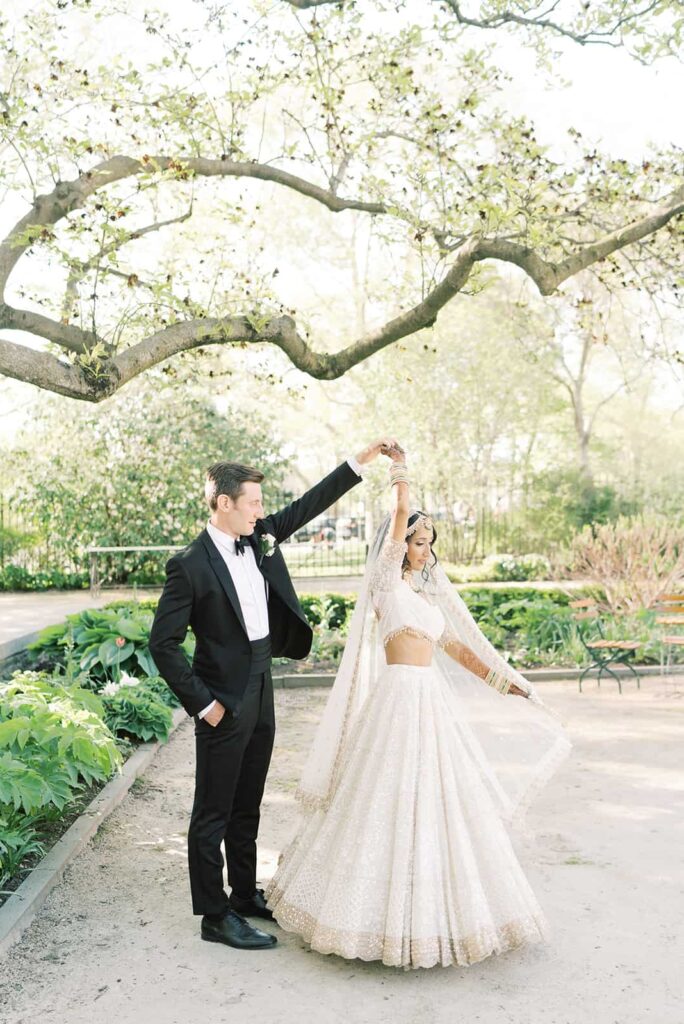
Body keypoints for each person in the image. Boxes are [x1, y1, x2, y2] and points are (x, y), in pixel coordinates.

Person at [265, 447, 572, 969]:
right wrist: (399, 475)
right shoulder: (385, 583)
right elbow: (399, 518)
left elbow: (456, 647)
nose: (424, 549)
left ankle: (444, 917)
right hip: (396, 700)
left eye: (429, 543)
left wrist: (506, 682)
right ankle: (361, 919)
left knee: (441, 805)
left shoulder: (429, 600)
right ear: (399, 542)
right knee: (379, 801)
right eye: (416, 540)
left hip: (431, 703)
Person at [149, 439, 397, 951]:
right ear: (224, 503)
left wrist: (361, 461)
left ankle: (243, 895)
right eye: (254, 502)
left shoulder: (259, 536)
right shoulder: (189, 565)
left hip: (262, 684)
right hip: (221, 699)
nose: (262, 511)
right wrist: (205, 704)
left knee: (248, 802)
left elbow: (309, 505)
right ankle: (214, 916)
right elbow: (164, 645)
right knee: (212, 811)